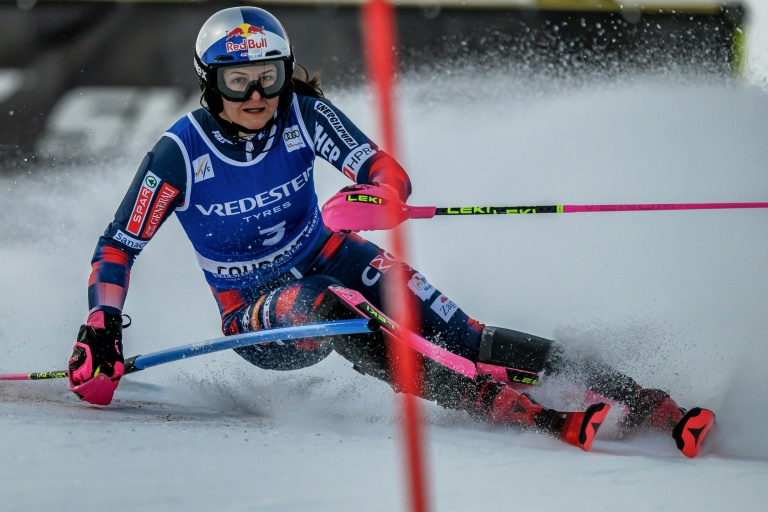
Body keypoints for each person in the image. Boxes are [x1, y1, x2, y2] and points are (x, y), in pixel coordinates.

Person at [68, 6, 713, 455]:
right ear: (209, 82)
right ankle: (502, 405)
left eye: (269, 75)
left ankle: (650, 401)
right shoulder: (179, 154)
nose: (257, 94)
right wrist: (100, 328)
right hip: (256, 312)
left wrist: (374, 196)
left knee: (466, 333)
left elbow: (383, 169)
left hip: (327, 254)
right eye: (238, 81)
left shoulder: (302, 112)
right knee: (335, 307)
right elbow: (117, 246)